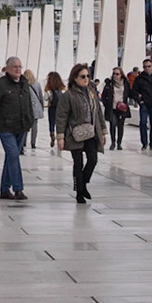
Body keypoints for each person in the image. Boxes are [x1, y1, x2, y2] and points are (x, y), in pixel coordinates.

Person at [55, 63, 107, 204]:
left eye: (88, 76)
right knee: (78, 163)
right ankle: (79, 193)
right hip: (75, 134)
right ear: (75, 78)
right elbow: (61, 117)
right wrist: (60, 137)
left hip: (91, 132)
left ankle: (83, 184)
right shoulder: (68, 95)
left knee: (93, 159)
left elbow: (98, 113)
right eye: (82, 76)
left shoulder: (91, 93)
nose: (86, 79)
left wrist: (103, 131)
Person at [0, 56, 34, 200]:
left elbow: (28, 103)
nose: (18, 69)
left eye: (20, 67)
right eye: (15, 67)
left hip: (21, 126)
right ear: (7, 69)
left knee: (11, 157)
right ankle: (18, 189)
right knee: (14, 155)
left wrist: (30, 121)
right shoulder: (0, 85)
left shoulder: (24, 83)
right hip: (6, 127)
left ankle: (4, 190)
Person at [134, 58, 152, 151]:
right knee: (143, 123)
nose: (147, 69)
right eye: (145, 67)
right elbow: (134, 91)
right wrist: (140, 100)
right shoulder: (139, 79)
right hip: (144, 104)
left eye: (149, 66)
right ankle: (144, 143)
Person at [102, 66, 131, 151]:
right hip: (112, 107)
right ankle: (113, 142)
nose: (115, 75)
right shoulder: (109, 84)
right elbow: (104, 95)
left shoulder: (125, 83)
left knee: (120, 126)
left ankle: (119, 143)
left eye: (117, 74)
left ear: (121, 75)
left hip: (122, 108)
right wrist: (106, 104)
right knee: (113, 124)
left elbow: (129, 93)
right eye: (114, 74)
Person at [43, 69, 66, 155]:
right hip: (61, 108)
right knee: (60, 123)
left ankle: (52, 135)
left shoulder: (49, 89)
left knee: (51, 123)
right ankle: (60, 138)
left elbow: (45, 98)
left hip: (52, 108)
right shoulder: (63, 88)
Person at [24, 70, 44, 151]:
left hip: (27, 107)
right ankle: (33, 142)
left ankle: (24, 142)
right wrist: (41, 107)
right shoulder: (37, 84)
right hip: (36, 107)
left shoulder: (24, 84)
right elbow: (40, 96)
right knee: (34, 126)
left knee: (25, 126)